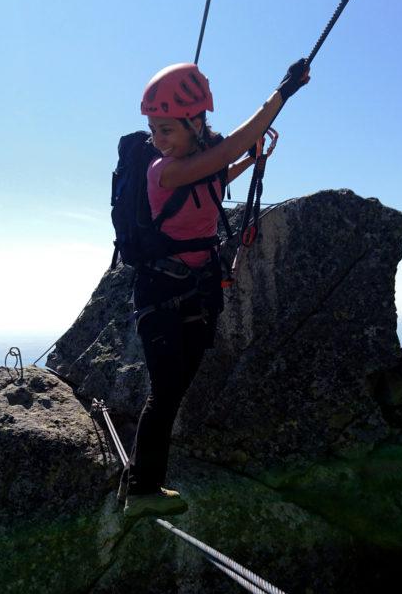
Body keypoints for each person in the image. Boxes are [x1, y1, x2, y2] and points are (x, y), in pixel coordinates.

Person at [123, 58, 311, 518]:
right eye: (154, 129)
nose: (157, 140)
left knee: (176, 387)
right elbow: (225, 153)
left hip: (195, 287)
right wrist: (282, 93)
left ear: (194, 124)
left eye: (165, 130)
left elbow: (214, 175)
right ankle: (143, 489)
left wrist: (250, 160)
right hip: (162, 293)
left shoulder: (191, 166)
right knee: (165, 392)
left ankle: (144, 480)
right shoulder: (161, 171)